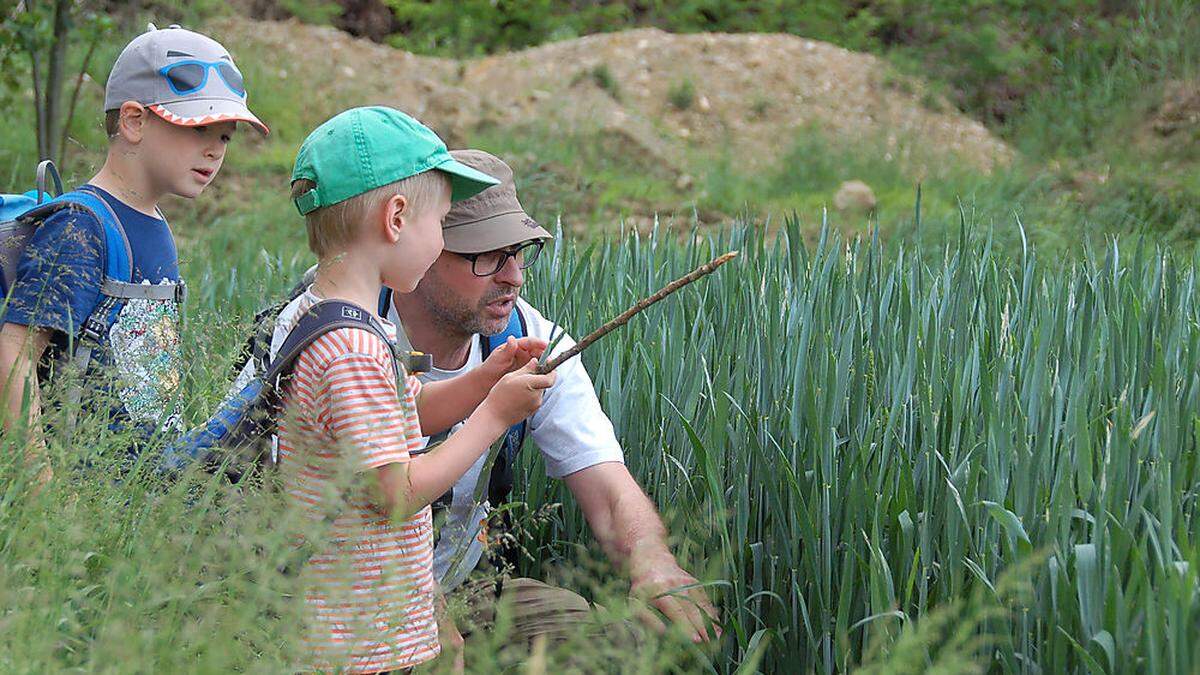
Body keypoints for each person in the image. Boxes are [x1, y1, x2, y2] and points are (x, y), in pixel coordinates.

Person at [389, 149, 721, 646]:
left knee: (625, 646)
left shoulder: (532, 345)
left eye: (519, 251)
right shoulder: (346, 339)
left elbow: (605, 484)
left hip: (465, 589)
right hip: (344, 592)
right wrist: (423, 611)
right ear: (424, 247)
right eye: (487, 256)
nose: (514, 276)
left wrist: (653, 563)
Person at [277, 106, 556, 673]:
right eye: (442, 224)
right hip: (354, 637)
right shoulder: (351, 350)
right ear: (396, 219)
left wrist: (484, 379)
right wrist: (494, 418)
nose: (439, 245)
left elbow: (407, 414)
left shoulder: (345, 323)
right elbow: (396, 492)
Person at [0, 25, 267, 482]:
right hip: (80, 489)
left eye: (225, 137)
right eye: (200, 127)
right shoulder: (81, 227)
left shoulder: (156, 223)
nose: (214, 150)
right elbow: (15, 355)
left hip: (137, 484)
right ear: (134, 121)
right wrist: (44, 492)